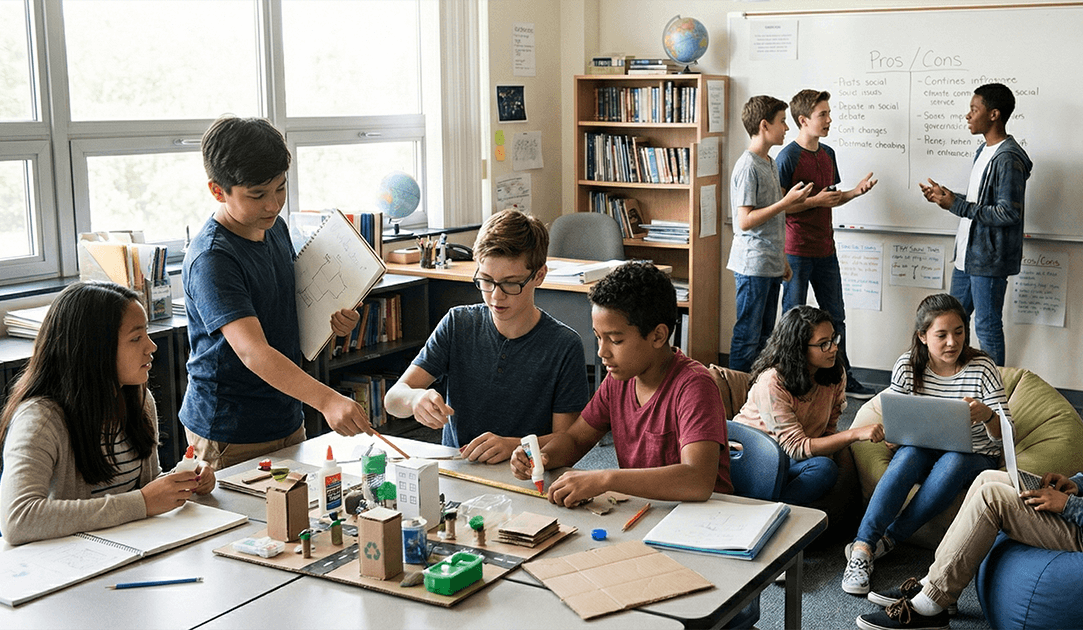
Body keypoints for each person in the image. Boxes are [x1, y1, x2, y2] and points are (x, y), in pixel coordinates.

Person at [857, 337, 1083, 630]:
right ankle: (938, 589)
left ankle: (930, 607)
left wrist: (1069, 506)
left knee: (992, 495)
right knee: (990, 477)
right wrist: (1074, 485)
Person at [181, 116, 370, 470]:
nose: (273, 205)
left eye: (280, 189)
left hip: (284, 416)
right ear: (217, 190)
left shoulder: (275, 229)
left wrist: (332, 322)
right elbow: (253, 352)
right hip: (229, 431)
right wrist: (328, 401)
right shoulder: (213, 258)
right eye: (257, 195)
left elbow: (286, 311)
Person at [0, 282, 216, 545]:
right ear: (92, 349)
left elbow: (141, 488)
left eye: (146, 333)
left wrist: (182, 481)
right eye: (136, 338)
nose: (151, 346)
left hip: (130, 551)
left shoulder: (139, 399)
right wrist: (144, 502)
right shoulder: (39, 419)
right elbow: (17, 519)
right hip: (71, 566)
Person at [510, 261, 732, 505]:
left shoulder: (694, 387)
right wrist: (543, 458)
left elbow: (697, 481)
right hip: (648, 511)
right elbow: (576, 439)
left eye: (615, 340)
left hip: (703, 520)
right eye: (598, 337)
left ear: (658, 336)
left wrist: (606, 479)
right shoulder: (619, 379)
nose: (601, 352)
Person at [384, 210, 590, 464]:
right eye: (486, 280)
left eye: (511, 283)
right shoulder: (457, 324)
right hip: (459, 470)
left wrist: (514, 446)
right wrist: (415, 399)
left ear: (539, 275)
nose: (495, 296)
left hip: (525, 475)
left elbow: (567, 441)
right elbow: (392, 400)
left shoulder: (563, 345)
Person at [842, 294, 1009, 596]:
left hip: (974, 456)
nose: (952, 342)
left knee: (955, 460)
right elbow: (893, 419)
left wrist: (986, 415)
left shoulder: (982, 367)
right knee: (908, 456)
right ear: (922, 336)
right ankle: (863, 550)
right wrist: (895, 435)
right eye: (941, 334)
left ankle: (890, 539)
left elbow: (1003, 436)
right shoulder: (907, 365)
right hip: (923, 448)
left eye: (959, 332)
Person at [919, 83, 1032, 367]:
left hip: (989, 260)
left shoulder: (1007, 158)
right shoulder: (983, 150)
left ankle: (995, 396)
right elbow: (980, 202)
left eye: (973, 109)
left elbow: (1008, 213)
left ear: (994, 114)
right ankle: (959, 383)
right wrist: (947, 197)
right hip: (967, 257)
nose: (967, 116)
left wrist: (956, 205)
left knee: (987, 327)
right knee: (953, 323)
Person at [776, 89, 879, 398]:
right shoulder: (788, 157)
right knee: (793, 318)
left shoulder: (828, 154)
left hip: (826, 249)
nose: (829, 119)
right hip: (796, 250)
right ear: (803, 120)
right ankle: (790, 381)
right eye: (823, 114)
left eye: (829, 113)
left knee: (835, 317)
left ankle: (841, 378)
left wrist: (855, 192)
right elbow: (779, 206)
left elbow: (830, 198)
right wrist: (814, 201)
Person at [732, 305, 884, 506]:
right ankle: (771, 512)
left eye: (833, 339)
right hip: (750, 457)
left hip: (788, 458)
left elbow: (827, 431)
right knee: (823, 468)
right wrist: (854, 434)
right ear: (798, 348)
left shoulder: (834, 374)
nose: (834, 348)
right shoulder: (772, 381)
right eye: (824, 344)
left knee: (825, 467)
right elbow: (795, 447)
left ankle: (772, 506)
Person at [727, 95, 814, 372]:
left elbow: (773, 218)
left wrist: (782, 261)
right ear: (764, 125)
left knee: (765, 340)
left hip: (769, 264)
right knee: (747, 338)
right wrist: (785, 203)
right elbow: (745, 220)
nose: (787, 128)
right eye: (782, 122)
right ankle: (735, 400)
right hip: (752, 265)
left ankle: (755, 400)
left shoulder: (770, 162)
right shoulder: (749, 166)